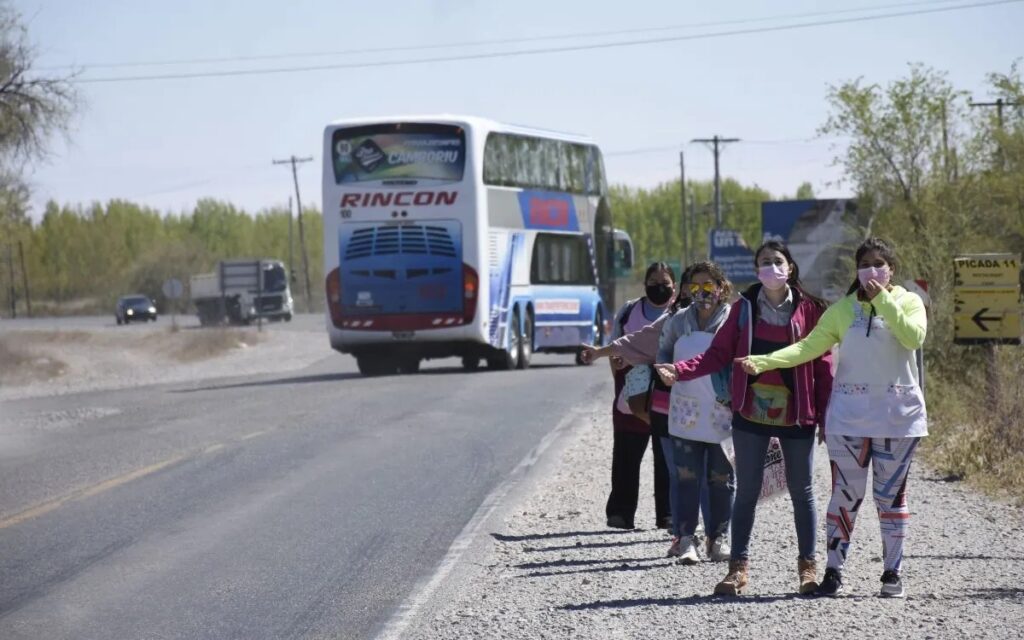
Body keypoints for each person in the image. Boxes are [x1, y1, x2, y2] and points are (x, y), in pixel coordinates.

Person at [736, 237, 926, 598]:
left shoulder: (909, 302)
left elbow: (913, 337)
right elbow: (808, 347)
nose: (872, 270)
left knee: (891, 498)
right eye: (865, 263)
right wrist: (763, 361)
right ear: (856, 269)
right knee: (845, 495)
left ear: (891, 270)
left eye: (878, 263)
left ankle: (892, 573)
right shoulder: (842, 310)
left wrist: (883, 299)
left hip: (898, 420)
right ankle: (834, 571)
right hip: (849, 420)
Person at [655, 241, 833, 596]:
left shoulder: (811, 310)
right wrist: (680, 369)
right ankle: (738, 570)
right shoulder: (743, 309)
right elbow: (718, 353)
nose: (771, 267)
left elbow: (823, 366)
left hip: (797, 414)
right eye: (764, 262)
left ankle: (808, 569)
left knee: (803, 491)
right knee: (748, 491)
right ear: (755, 271)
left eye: (777, 261)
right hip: (749, 413)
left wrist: (825, 416)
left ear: (790, 268)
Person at [657, 261, 734, 565]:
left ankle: (719, 539)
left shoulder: (732, 320)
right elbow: (663, 351)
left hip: (721, 412)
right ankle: (686, 539)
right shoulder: (677, 321)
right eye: (695, 285)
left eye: (708, 285)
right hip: (685, 411)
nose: (701, 291)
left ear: (721, 288)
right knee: (685, 477)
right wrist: (664, 369)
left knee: (721, 478)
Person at [601, 262, 677, 530]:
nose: (659, 287)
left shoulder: (681, 311)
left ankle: (667, 514)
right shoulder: (629, 311)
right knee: (626, 454)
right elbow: (615, 350)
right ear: (644, 284)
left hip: (668, 390)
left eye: (665, 282)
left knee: (666, 456)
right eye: (653, 281)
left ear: (674, 285)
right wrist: (625, 385)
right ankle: (620, 513)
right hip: (631, 394)